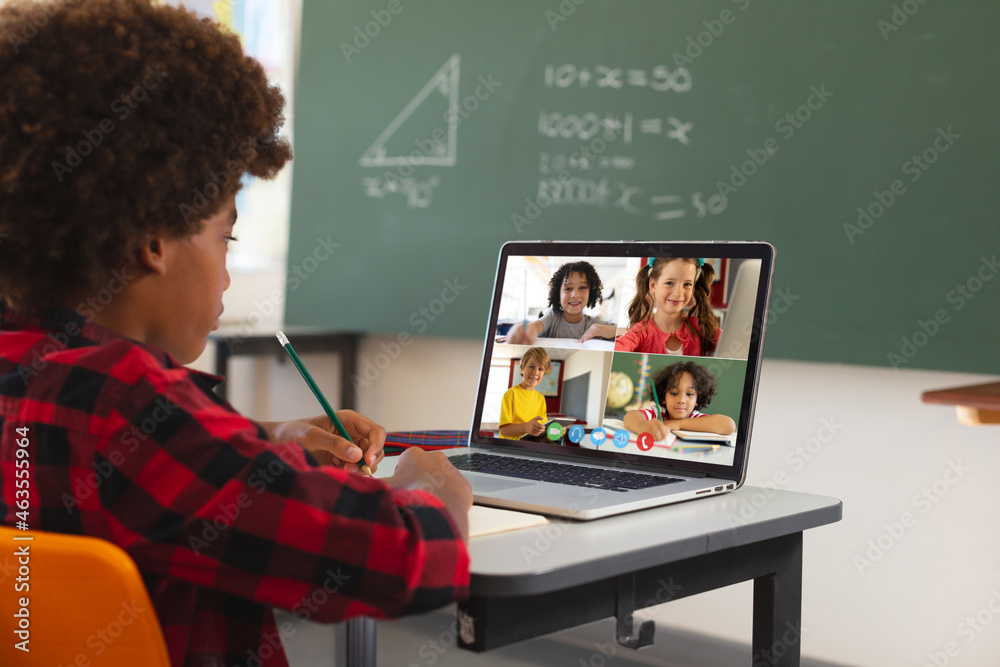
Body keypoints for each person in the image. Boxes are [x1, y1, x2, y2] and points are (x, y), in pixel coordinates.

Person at [0, 2, 472, 665]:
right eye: (227, 234)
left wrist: (264, 440)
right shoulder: (133, 407)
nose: (226, 268)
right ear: (154, 238)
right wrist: (432, 493)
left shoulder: (38, 375)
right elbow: (400, 561)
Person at [614, 257, 721, 356]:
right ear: (653, 285)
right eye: (670, 283)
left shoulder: (702, 329)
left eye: (687, 284)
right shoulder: (639, 332)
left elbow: (734, 344)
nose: (678, 293)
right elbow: (617, 350)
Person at [503, 261, 616, 344]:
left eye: (582, 287)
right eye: (568, 289)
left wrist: (608, 329)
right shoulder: (553, 316)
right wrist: (526, 330)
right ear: (558, 294)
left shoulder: (593, 324)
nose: (575, 294)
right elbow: (536, 326)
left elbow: (631, 330)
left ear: (590, 292)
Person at [623, 361, 736, 439]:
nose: (681, 400)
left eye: (689, 394)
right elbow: (630, 416)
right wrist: (642, 427)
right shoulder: (658, 413)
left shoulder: (695, 418)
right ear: (663, 397)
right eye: (674, 393)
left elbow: (729, 425)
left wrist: (678, 424)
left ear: (697, 399)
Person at [498, 347, 551, 440]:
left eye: (540, 369)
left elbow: (543, 430)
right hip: (513, 447)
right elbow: (504, 430)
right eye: (531, 367)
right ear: (522, 368)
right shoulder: (511, 394)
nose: (535, 372)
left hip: (533, 444)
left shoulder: (541, 399)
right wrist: (526, 427)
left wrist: (555, 430)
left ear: (544, 373)